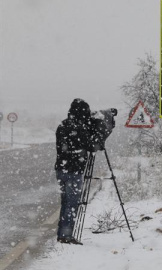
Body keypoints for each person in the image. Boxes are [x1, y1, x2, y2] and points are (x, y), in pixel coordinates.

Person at [54, 98, 93, 245]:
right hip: (74, 170)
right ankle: (66, 235)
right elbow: (89, 145)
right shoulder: (80, 128)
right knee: (72, 204)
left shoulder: (62, 125)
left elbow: (62, 147)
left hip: (61, 169)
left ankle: (62, 234)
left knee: (65, 202)